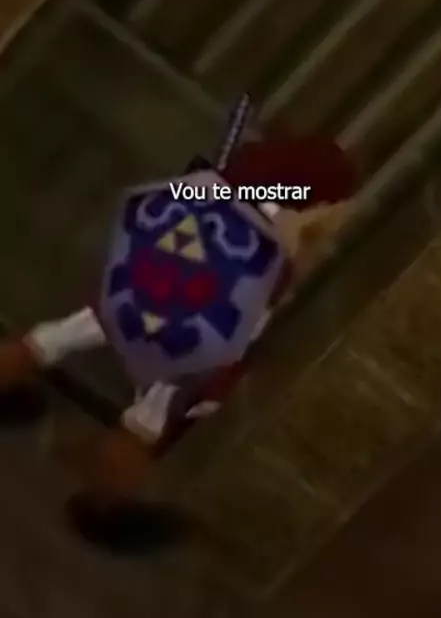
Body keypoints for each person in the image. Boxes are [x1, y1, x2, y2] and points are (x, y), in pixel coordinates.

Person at [0, 124, 359, 551]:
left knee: (56, 342)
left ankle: (106, 498)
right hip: (205, 301)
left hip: (164, 274)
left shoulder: (249, 176)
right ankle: (107, 503)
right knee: (141, 415)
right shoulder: (282, 190)